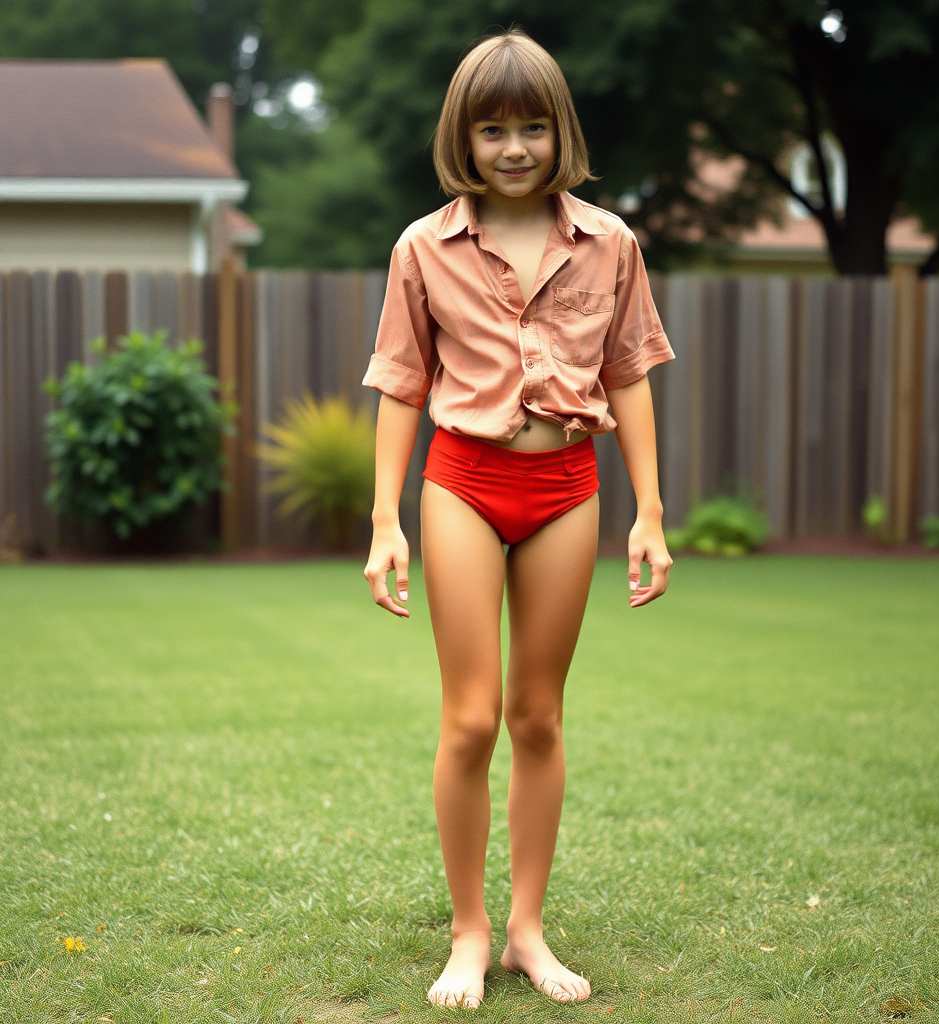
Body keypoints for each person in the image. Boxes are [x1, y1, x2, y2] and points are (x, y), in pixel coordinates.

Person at [361, 28, 674, 1009]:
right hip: (459, 482)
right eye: (492, 128)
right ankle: (468, 932)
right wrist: (386, 520)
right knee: (470, 718)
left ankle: (527, 932)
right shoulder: (423, 246)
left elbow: (628, 374)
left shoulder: (610, 243)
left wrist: (649, 512)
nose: (512, 146)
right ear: (465, 135)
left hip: (566, 493)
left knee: (538, 716)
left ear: (558, 132)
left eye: (532, 125)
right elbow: (401, 386)